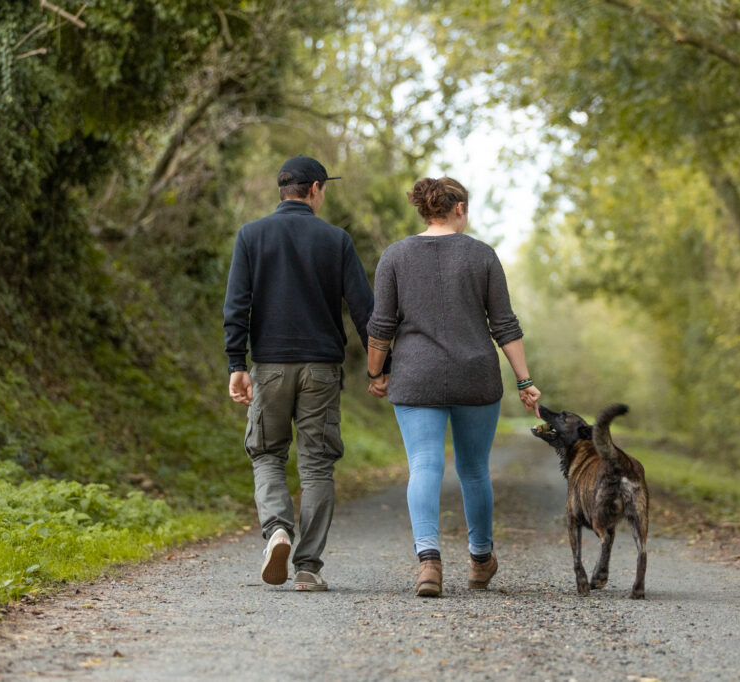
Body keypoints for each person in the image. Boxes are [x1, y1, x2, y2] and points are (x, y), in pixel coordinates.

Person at [365, 177, 541, 597]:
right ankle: (480, 560)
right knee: (474, 469)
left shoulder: (395, 256)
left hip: (415, 376)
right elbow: (505, 325)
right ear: (458, 207)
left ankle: (429, 563)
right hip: (475, 376)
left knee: (424, 466)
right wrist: (525, 380)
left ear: (425, 210)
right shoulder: (482, 255)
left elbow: (381, 327)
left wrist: (376, 373)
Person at [224, 155, 384, 591]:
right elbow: (364, 310)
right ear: (315, 189)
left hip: (270, 367)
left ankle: (277, 529)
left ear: (284, 190)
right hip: (322, 369)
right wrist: (379, 368)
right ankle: (308, 567)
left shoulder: (251, 235)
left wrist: (237, 365)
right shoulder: (336, 240)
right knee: (316, 466)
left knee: (267, 453)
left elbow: (237, 306)